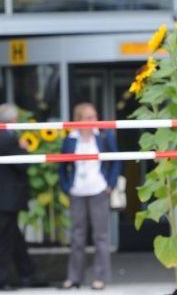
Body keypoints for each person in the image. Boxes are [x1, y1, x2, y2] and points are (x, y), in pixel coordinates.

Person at [57, 102, 121, 290]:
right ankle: (74, 277)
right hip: (77, 191)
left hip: (98, 190)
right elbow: (61, 166)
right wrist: (66, 186)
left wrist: (110, 184)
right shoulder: (70, 139)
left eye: (95, 116)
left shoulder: (103, 135)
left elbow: (116, 160)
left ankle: (100, 278)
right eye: (89, 117)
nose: (94, 120)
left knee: (100, 236)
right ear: (78, 120)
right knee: (77, 236)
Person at [0, 103, 37, 291]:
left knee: (13, 235)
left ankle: (28, 274)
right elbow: (22, 165)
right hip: (9, 196)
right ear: (12, 121)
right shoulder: (9, 139)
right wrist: (24, 148)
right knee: (3, 239)